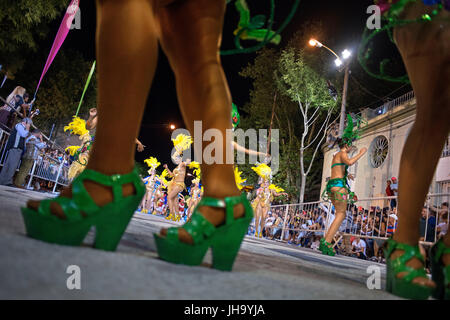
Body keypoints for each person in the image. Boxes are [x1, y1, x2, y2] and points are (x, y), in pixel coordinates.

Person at [320, 115, 367, 256]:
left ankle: (326, 241)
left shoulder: (335, 156)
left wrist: (348, 175)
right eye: (350, 143)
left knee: (339, 215)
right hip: (339, 186)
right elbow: (350, 162)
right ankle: (327, 242)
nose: (351, 145)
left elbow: (338, 170)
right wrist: (361, 153)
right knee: (341, 214)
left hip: (332, 186)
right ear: (346, 144)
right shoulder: (342, 153)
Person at [0, 118, 31, 186]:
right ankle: (7, 181)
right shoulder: (19, 126)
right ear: (25, 122)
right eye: (29, 124)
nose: (29, 125)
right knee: (12, 165)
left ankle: (2, 180)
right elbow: (23, 134)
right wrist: (27, 128)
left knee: (8, 165)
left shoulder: (20, 127)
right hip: (15, 148)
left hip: (16, 149)